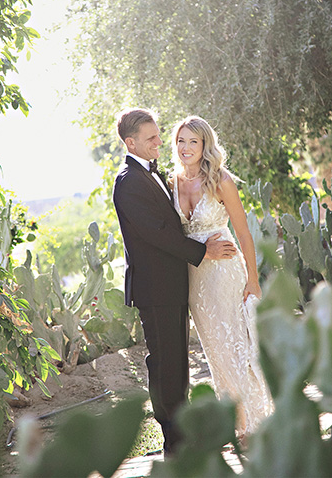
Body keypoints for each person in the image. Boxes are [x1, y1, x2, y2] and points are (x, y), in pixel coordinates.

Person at [112, 108, 237, 457]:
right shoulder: (129, 182)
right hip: (155, 289)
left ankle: (182, 438)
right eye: (151, 139)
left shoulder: (154, 176)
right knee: (166, 366)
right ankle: (174, 445)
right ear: (130, 142)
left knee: (176, 365)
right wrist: (204, 251)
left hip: (171, 285)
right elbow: (159, 234)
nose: (158, 143)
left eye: (157, 136)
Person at [170, 115, 273, 437]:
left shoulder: (221, 180)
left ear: (205, 146)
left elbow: (243, 234)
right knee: (215, 351)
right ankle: (236, 423)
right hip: (194, 277)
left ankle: (258, 423)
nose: (186, 148)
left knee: (236, 347)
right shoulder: (170, 182)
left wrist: (253, 280)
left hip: (226, 273)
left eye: (193, 142)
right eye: (181, 141)